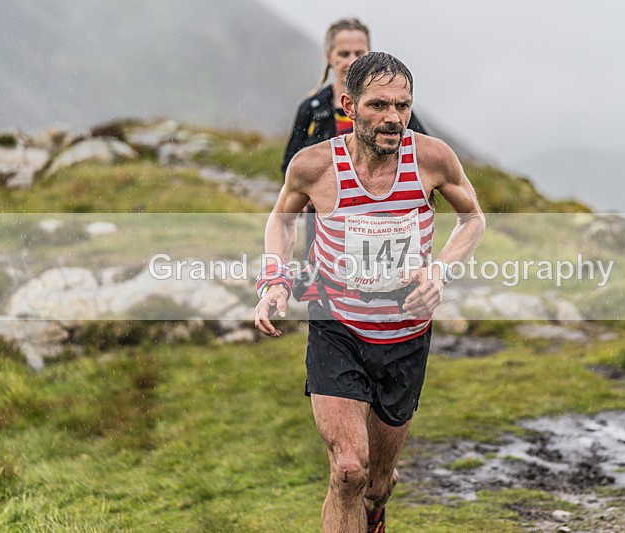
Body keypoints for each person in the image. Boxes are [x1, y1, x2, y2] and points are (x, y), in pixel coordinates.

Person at [255, 52, 485, 532]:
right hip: (336, 326)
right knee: (348, 470)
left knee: (377, 482)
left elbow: (473, 219)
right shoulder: (314, 166)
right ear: (349, 104)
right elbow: (281, 218)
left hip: (404, 335)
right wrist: (275, 280)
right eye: (379, 105)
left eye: (402, 106)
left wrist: (438, 271)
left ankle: (375, 515)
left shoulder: (433, 158)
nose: (393, 118)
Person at [282, 18, 428, 257]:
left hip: (382, 213)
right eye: (344, 53)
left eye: (359, 53)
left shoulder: (393, 109)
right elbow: (290, 162)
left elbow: (422, 150)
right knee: (321, 274)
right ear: (329, 57)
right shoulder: (312, 108)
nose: (351, 61)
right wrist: (306, 195)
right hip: (324, 212)